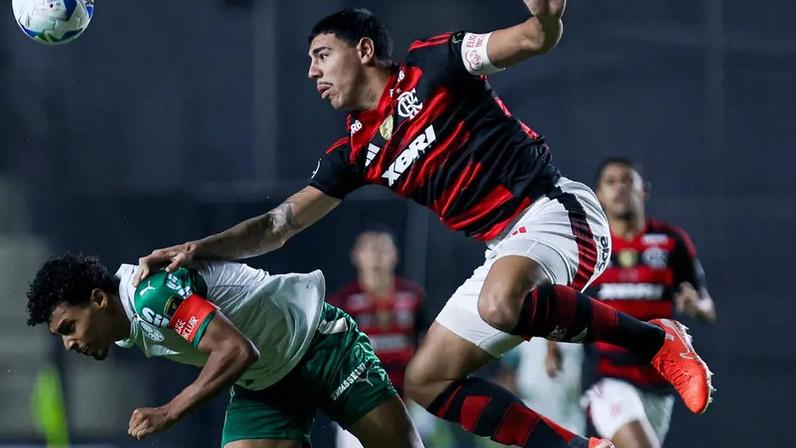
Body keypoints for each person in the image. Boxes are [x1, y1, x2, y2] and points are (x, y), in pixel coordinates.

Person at [134, 4, 714, 447]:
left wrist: (545, 18)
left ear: (364, 50)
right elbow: (278, 224)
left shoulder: (434, 61)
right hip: (506, 249)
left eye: (322, 55)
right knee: (427, 380)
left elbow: (532, 39)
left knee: (499, 301)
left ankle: (656, 340)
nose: (312, 71)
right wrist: (198, 248)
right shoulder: (356, 151)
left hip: (555, 211)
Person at [26, 254, 423, 448]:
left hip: (321, 346)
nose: (69, 344)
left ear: (98, 299)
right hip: (265, 385)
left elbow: (235, 350)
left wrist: (169, 411)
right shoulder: (127, 324)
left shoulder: (150, 295)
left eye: (69, 328)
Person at [569, 158, 716, 448]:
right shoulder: (589, 245)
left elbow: (707, 308)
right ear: (598, 194)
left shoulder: (671, 241)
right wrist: (552, 346)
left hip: (659, 380)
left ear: (644, 190)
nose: (620, 188)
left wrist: (696, 306)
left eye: (627, 180)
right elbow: (565, 298)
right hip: (607, 377)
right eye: (611, 182)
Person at [327, 227, 427, 447]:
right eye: (370, 248)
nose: (376, 255)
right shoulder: (342, 302)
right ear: (356, 255)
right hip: (359, 401)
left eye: (382, 248)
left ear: (395, 255)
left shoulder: (413, 296)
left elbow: (424, 346)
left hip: (409, 399)